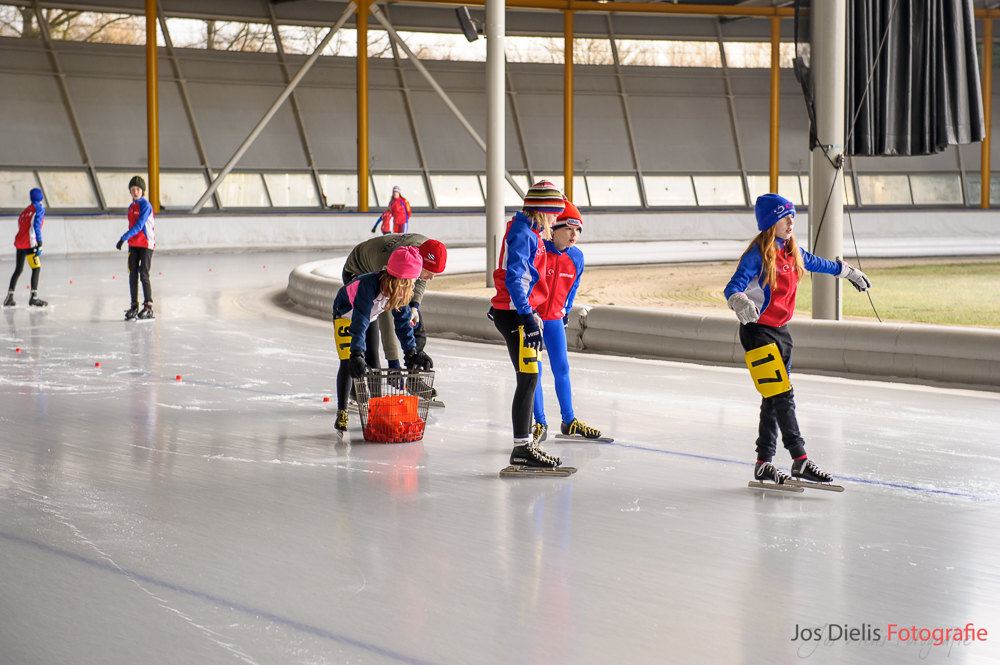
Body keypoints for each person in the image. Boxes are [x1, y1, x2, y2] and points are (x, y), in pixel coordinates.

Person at [724, 193, 871, 487]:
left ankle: (763, 463)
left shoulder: (792, 251)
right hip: (757, 332)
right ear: (770, 222)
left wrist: (849, 272)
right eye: (784, 217)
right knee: (782, 395)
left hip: (782, 333)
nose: (791, 222)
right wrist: (739, 301)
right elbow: (733, 286)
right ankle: (800, 458)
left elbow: (821, 264)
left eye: (793, 216)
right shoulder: (757, 254)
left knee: (773, 398)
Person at [489, 180, 565, 470]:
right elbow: (515, 278)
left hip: (517, 312)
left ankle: (526, 444)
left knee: (529, 378)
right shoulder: (523, 233)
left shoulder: (528, 231)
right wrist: (527, 318)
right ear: (543, 211)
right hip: (516, 314)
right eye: (555, 214)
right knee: (528, 379)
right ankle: (522, 448)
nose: (556, 220)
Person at [332, 246, 433, 433]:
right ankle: (342, 411)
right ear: (402, 279)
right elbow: (359, 322)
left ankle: (376, 409)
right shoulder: (368, 285)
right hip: (346, 311)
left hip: (369, 315)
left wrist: (411, 351)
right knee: (348, 361)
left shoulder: (400, 291)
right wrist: (356, 352)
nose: (414, 284)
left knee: (373, 360)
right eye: (413, 280)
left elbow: (403, 324)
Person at [530, 200, 604, 443]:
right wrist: (529, 313)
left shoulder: (577, 257)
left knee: (562, 369)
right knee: (534, 371)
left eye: (578, 230)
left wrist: (565, 311)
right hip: (533, 319)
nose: (574, 235)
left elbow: (573, 288)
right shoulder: (539, 249)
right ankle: (540, 422)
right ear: (554, 229)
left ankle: (569, 420)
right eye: (569, 229)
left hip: (554, 320)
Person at [341, 234, 448, 375]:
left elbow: (422, 279)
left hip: (395, 273)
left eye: (435, 273)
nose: (432, 278)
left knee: (415, 323)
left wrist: (414, 307)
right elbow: (386, 317)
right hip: (359, 272)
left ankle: (414, 369)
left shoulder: (428, 249)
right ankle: (363, 378)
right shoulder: (390, 263)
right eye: (429, 272)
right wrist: (393, 363)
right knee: (369, 336)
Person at [115, 176, 156, 321]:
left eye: (138, 189)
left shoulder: (146, 205)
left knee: (143, 274)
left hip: (145, 244)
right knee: (132, 274)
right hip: (133, 245)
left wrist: (123, 238)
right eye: (132, 189)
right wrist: (128, 240)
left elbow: (139, 226)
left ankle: (148, 307)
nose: (135, 192)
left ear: (142, 191)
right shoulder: (131, 207)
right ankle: (134, 306)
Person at [5, 187, 47, 307]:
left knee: (18, 270)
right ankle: (34, 297)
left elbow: (21, 225)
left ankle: (9, 297)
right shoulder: (39, 209)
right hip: (30, 244)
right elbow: (36, 226)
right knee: (36, 268)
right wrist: (39, 242)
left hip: (20, 243)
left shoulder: (25, 211)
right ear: (41, 198)